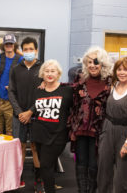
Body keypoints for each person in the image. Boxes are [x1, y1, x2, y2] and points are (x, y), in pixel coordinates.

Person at [68, 46, 112, 193]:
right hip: (80, 129)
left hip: (100, 131)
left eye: (96, 62)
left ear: (103, 63)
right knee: (80, 163)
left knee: (94, 164)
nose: (92, 65)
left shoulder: (110, 82)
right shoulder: (80, 79)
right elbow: (68, 92)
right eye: (89, 62)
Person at [97, 57, 127, 193]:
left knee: (121, 176)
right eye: (119, 69)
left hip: (124, 132)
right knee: (103, 170)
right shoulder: (113, 86)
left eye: (125, 70)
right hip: (108, 128)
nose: (122, 73)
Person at [33, 59, 73, 193]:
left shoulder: (67, 91)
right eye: (47, 71)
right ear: (42, 74)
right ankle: (48, 189)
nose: (49, 74)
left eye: (52, 71)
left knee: (45, 165)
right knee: (46, 166)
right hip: (40, 134)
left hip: (58, 135)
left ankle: (49, 190)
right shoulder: (38, 91)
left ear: (58, 73)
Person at [8, 37, 42, 189]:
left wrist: (30, 111)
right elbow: (11, 92)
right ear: (22, 51)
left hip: (36, 115)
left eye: (31, 49)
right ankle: (18, 178)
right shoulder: (16, 69)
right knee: (19, 146)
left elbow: (44, 94)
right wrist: (20, 112)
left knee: (35, 146)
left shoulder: (42, 69)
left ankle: (39, 180)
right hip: (19, 116)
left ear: (36, 50)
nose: (28, 52)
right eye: (26, 49)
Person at [0, 34, 23, 135]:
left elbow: (23, 78)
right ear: (4, 46)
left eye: (11, 44)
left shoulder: (20, 60)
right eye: (7, 44)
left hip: (11, 101)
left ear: (14, 45)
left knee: (10, 131)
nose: (9, 46)